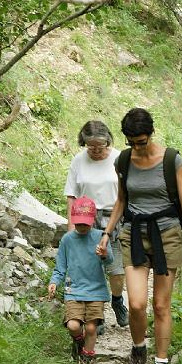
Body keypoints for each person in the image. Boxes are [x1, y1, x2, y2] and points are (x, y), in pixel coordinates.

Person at [98, 108, 182, 364]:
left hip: (166, 235)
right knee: (138, 304)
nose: (137, 147)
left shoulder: (170, 159)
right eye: (131, 142)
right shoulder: (124, 160)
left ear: (150, 134)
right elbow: (121, 200)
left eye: (141, 141)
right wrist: (107, 234)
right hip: (133, 233)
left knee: (161, 306)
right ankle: (139, 350)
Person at [64, 121, 128, 331]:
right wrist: (70, 228)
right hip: (86, 218)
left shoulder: (119, 158)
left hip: (114, 215)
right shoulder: (78, 161)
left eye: (100, 146)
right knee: (91, 269)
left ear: (108, 141)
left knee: (116, 269)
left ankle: (117, 300)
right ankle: (95, 316)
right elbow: (72, 196)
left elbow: (125, 193)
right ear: (84, 143)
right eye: (91, 147)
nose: (96, 151)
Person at [48, 196, 113, 364]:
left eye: (85, 223)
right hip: (74, 290)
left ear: (92, 220)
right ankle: (78, 341)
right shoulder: (67, 240)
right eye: (79, 223)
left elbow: (110, 261)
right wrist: (54, 281)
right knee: (73, 326)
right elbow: (60, 267)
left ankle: (86, 358)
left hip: (96, 290)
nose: (82, 227)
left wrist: (104, 254)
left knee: (91, 327)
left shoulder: (100, 236)